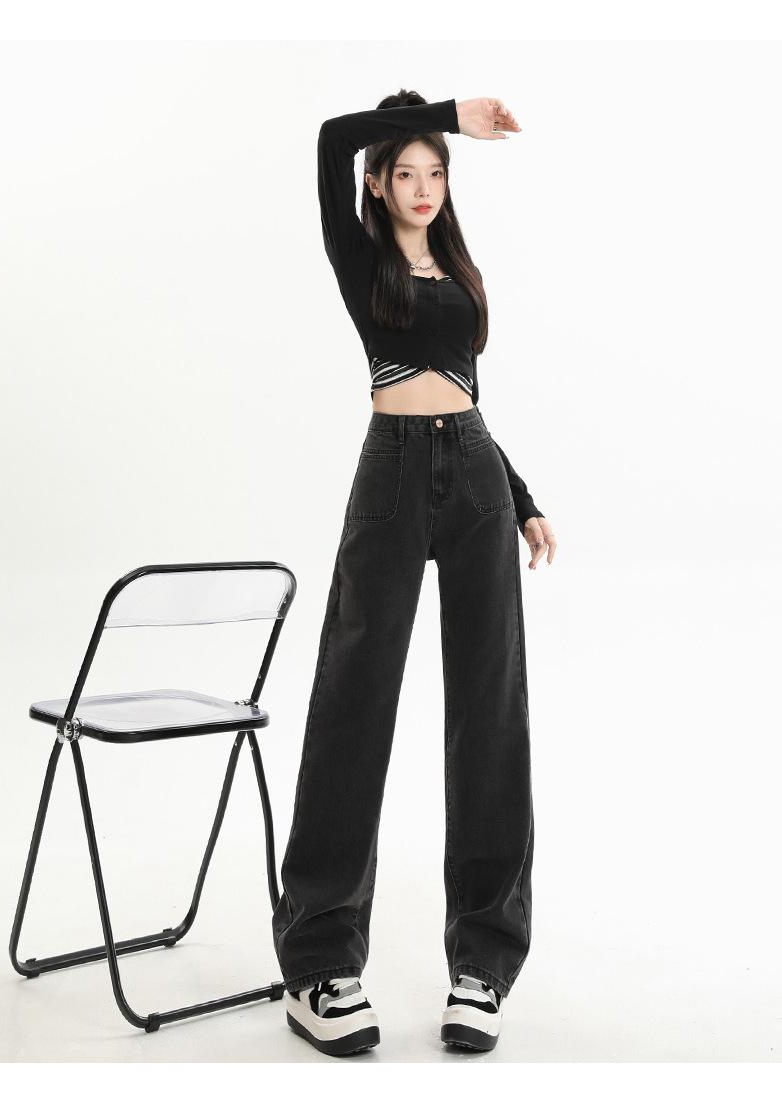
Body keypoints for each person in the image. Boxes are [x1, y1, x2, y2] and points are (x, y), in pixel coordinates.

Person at [271, 90, 556, 1057]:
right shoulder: (362, 258)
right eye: (406, 172)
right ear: (378, 184)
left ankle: (483, 963)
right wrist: (444, 112)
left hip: (474, 476)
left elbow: (465, 394)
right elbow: (328, 138)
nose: (424, 187)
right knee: (353, 703)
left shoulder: (459, 269)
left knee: (490, 711)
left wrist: (520, 495)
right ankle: (319, 963)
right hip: (390, 479)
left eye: (436, 171)